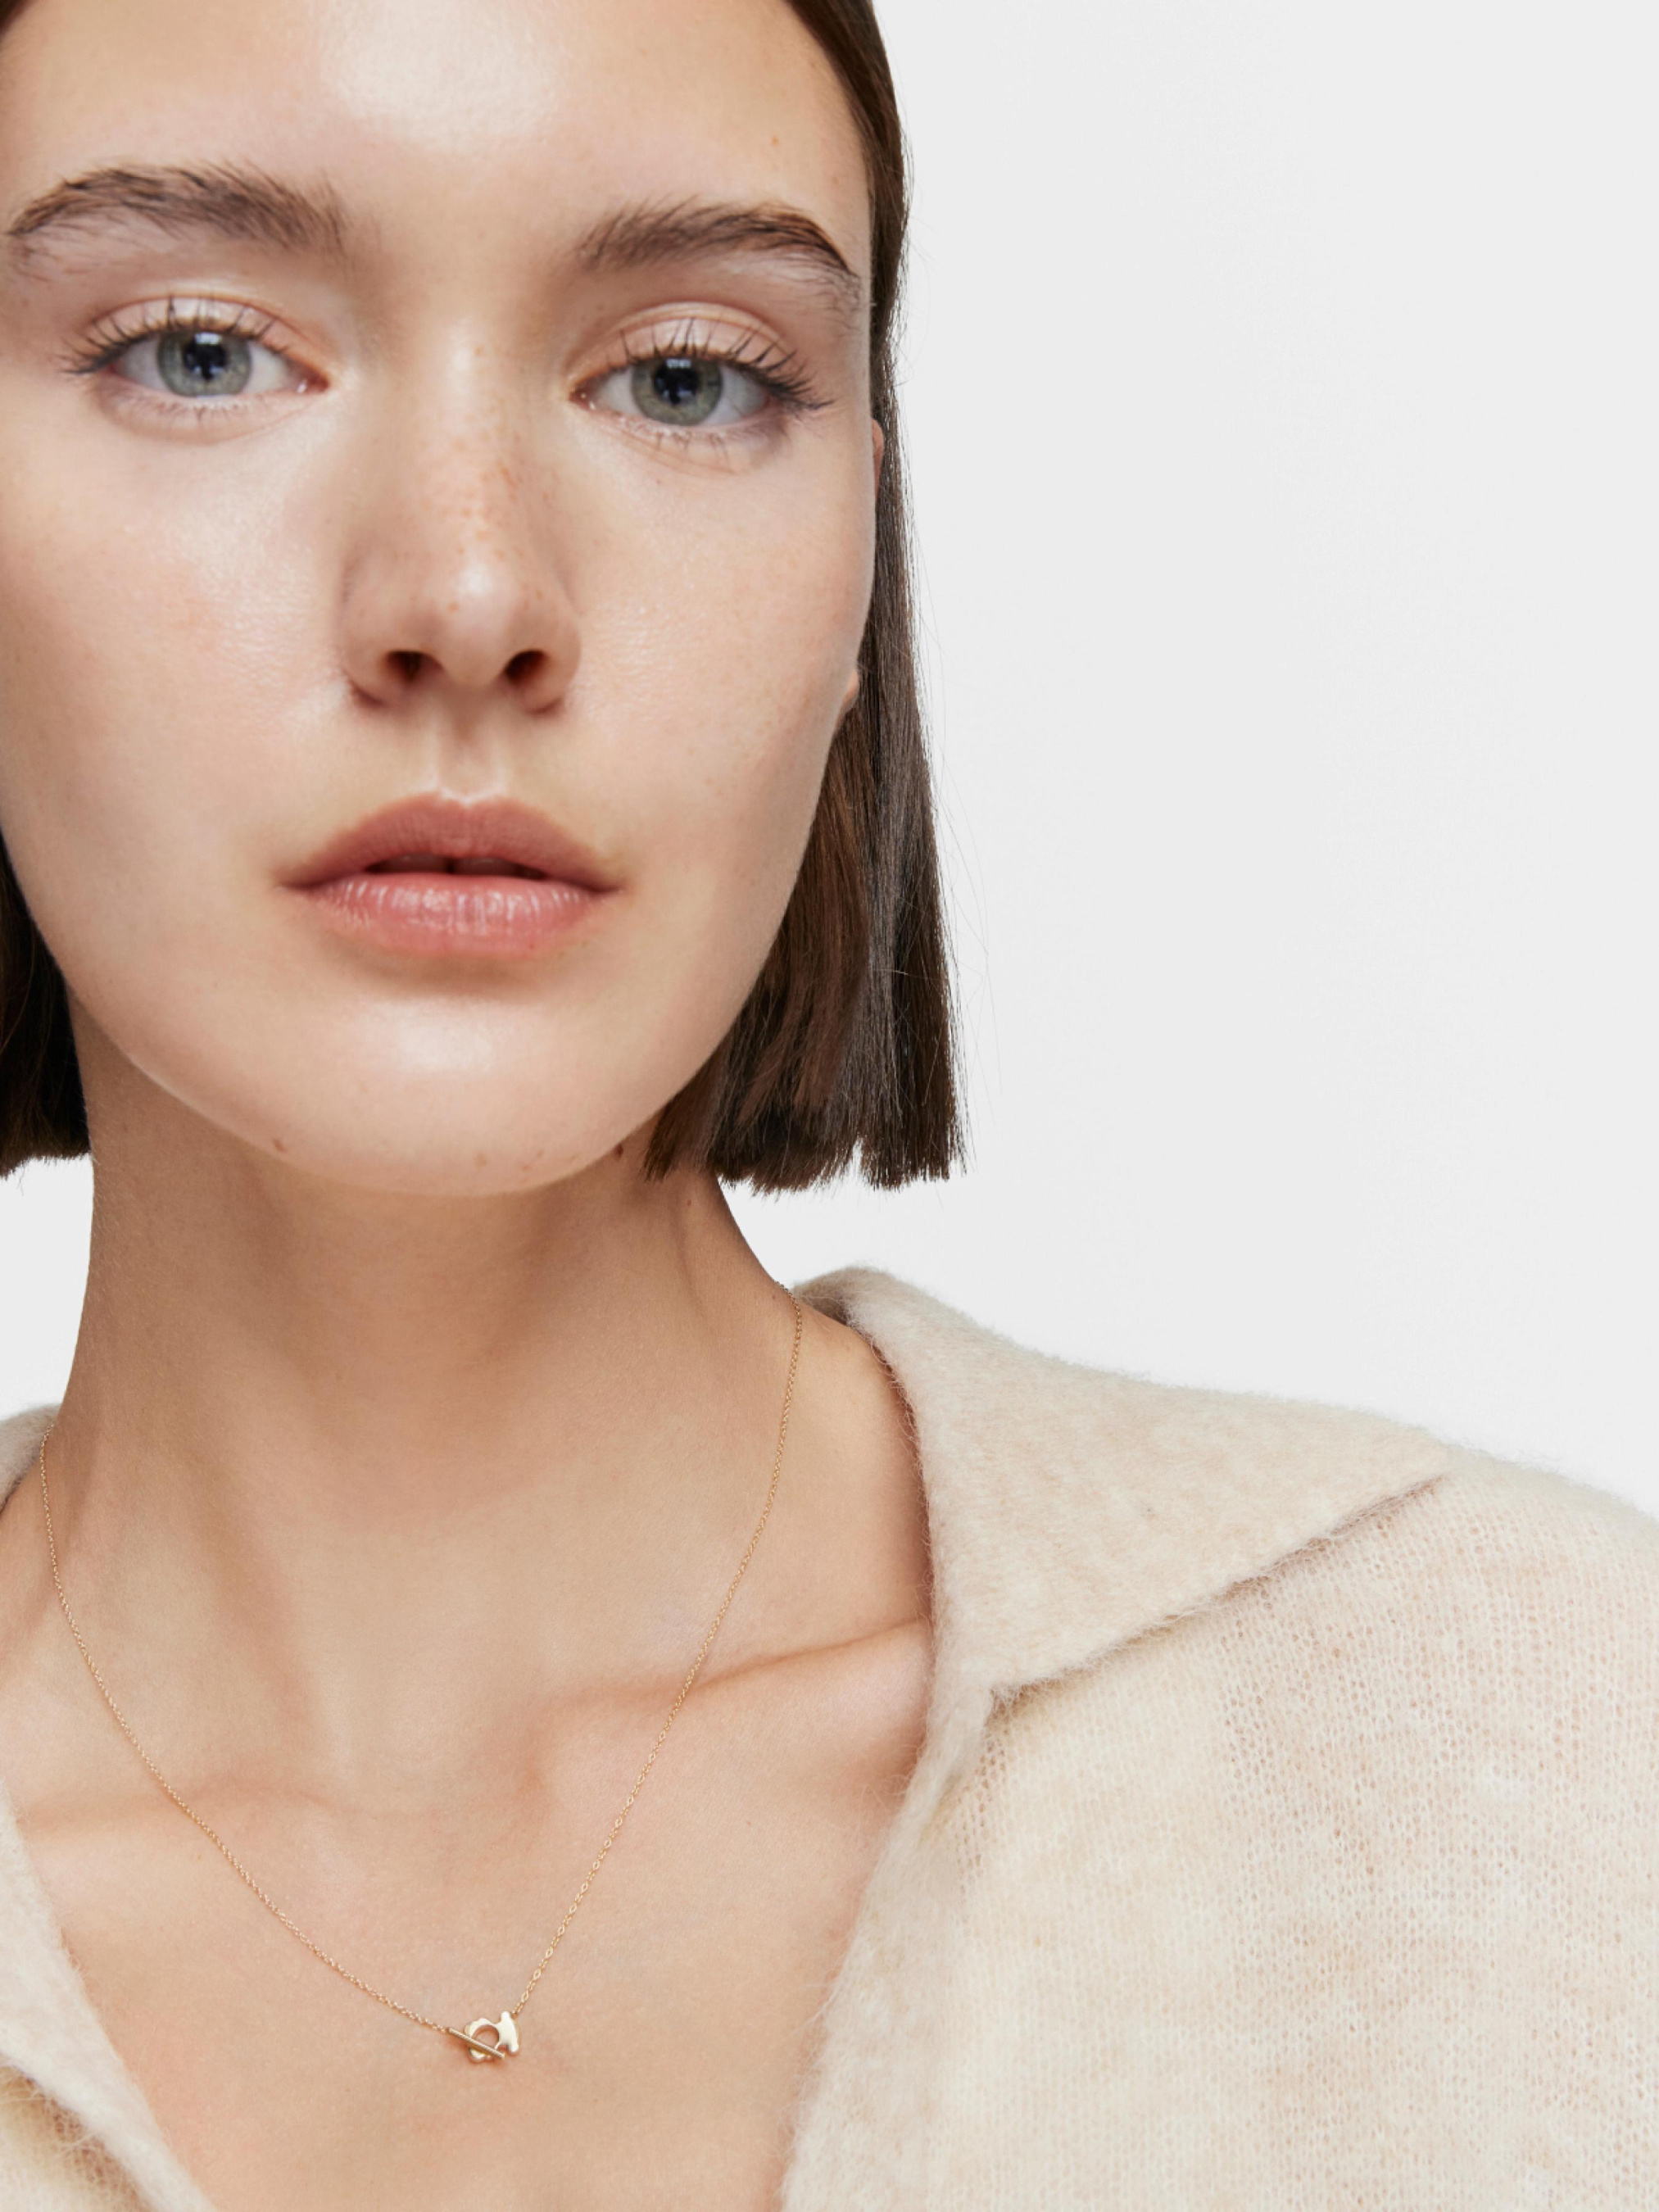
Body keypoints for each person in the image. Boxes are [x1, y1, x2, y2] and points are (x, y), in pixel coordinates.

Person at [0, 0, 1653, 2207]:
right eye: (200, 354)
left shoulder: (1547, 1761)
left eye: (686, 380)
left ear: (862, 552)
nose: (469, 597)